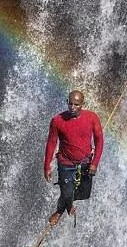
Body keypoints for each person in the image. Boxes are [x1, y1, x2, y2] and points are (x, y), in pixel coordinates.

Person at [44, 90, 103, 226]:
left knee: (83, 194)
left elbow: (99, 141)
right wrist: (47, 166)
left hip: (85, 163)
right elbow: (51, 143)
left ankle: (69, 203)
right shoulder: (57, 121)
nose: (72, 107)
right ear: (67, 102)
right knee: (67, 192)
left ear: (82, 104)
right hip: (66, 162)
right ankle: (59, 211)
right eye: (70, 104)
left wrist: (95, 163)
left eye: (76, 104)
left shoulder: (92, 118)